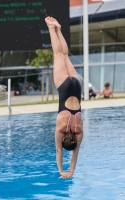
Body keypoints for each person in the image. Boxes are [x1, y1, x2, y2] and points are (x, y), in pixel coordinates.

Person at [45, 17, 83, 179]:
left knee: (65, 55)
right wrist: (62, 171)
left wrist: (72, 170)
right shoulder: (61, 130)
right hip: (65, 87)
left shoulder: (79, 131)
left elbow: (76, 153)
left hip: (76, 86)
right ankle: (51, 28)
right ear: (64, 140)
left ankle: (59, 28)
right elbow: (59, 151)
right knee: (57, 54)